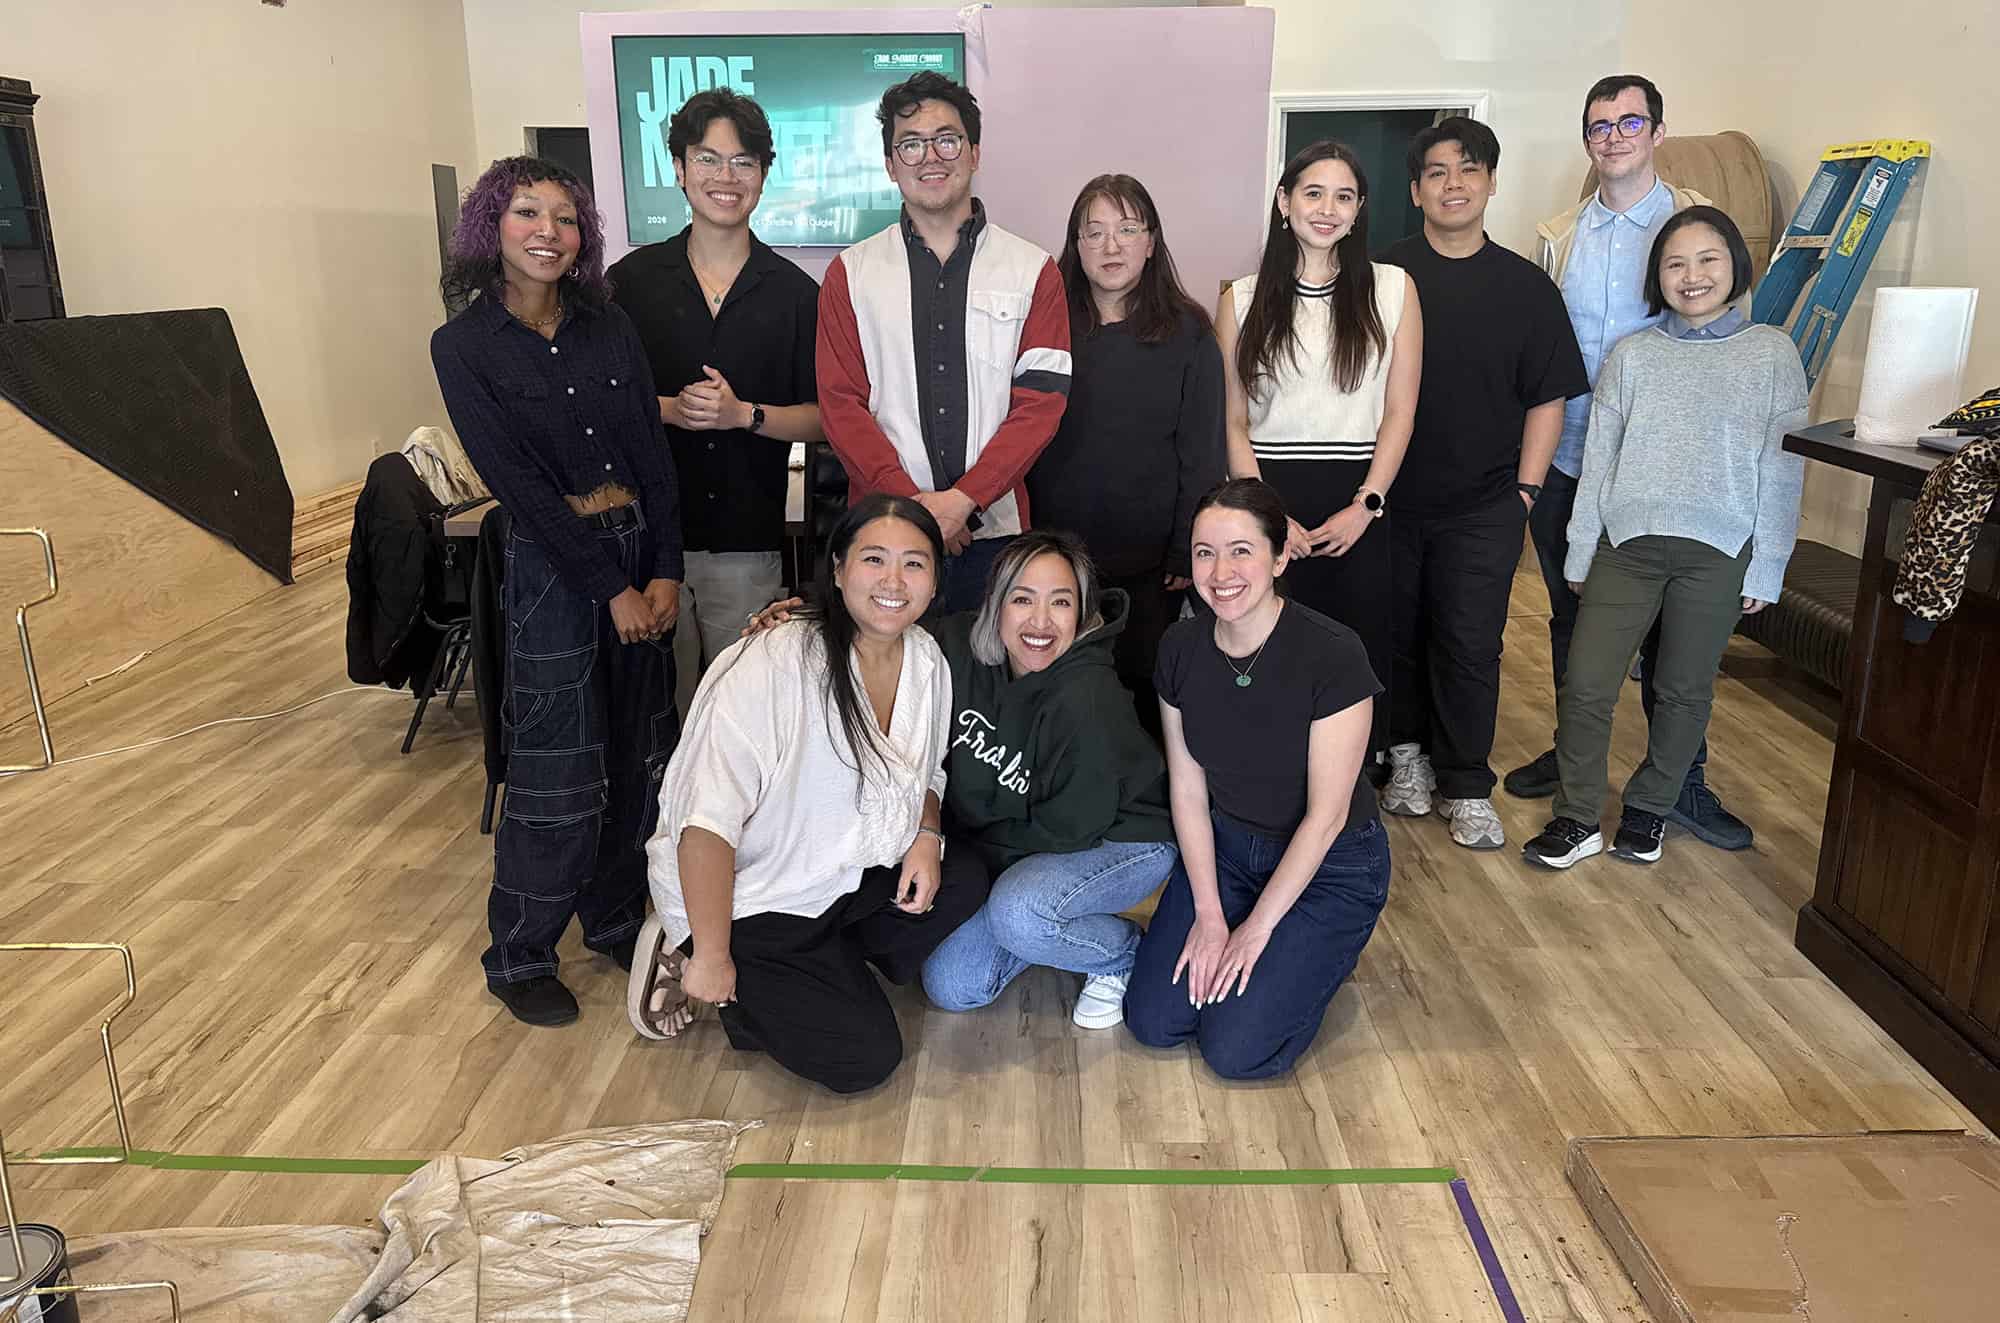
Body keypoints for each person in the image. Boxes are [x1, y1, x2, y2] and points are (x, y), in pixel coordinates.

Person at [431, 157, 685, 1028]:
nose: (548, 230)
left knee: (636, 752)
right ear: (490, 226)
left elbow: (653, 456)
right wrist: (610, 584)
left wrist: (665, 568)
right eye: (527, 212)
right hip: (552, 570)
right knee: (555, 768)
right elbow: (520, 485)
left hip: (635, 550)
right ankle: (521, 952)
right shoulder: (462, 347)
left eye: (566, 217)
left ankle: (613, 915)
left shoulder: (607, 325)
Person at [743, 531, 1179, 1028]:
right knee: (955, 986)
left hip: (1120, 839)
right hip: (1015, 846)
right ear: (995, 606)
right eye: (1022, 599)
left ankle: (1121, 955)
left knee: (1021, 912)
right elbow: (882, 616)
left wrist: (958, 857)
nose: (1040, 621)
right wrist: (804, 613)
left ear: (1080, 613)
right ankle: (1047, 928)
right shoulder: (955, 645)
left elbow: (1071, 828)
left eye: (1061, 602)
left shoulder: (1089, 696)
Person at [626, 495, 980, 1093]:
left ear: (935, 580)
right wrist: (713, 954)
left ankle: (817, 970)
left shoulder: (926, 659)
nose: (894, 581)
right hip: (756, 901)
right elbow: (705, 821)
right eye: (874, 559)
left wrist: (925, 833)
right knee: (865, 1058)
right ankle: (692, 947)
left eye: (915, 564)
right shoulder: (778, 658)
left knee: (965, 875)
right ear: (838, 568)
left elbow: (927, 772)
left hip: (837, 880)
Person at [1507, 75, 1756, 853]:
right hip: (1570, 456)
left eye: (1629, 121)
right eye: (1599, 126)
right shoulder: (1559, 235)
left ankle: (1681, 778)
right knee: (1571, 618)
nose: (1613, 136)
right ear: (1588, 140)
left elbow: (1729, 356)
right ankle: (1572, 751)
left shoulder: (1693, 232)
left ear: (1655, 130)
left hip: (1664, 471)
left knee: (1675, 642)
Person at [1522, 207, 1806, 870]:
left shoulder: (1771, 353)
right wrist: (1583, 544)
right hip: (1628, 541)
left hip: (1719, 548)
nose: (1692, 275)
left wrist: (1767, 567)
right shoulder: (1635, 354)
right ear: (1658, 276)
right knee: (1588, 681)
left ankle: (1651, 807)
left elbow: (1782, 469)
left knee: (1682, 688)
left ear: (1735, 264)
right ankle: (1577, 815)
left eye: (1708, 259)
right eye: (1675, 263)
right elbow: (1601, 455)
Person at [1125, 479, 1391, 1080]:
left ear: (1278, 557)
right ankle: (1278, 952)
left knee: (1235, 1051)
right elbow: (1188, 791)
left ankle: (1317, 949)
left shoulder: (1333, 654)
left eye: (1241, 550)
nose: (1221, 572)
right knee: (1155, 1022)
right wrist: (1212, 917)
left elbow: (1325, 819)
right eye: (1204, 552)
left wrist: (1256, 932)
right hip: (1230, 854)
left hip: (1330, 868)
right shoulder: (1180, 645)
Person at [1377, 118, 1588, 849]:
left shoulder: (1526, 288)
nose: (1454, 184)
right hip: (1388, 501)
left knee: (1470, 643)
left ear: (1492, 181)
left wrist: (1525, 494)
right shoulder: (1383, 278)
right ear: (1416, 190)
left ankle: (1466, 781)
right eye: (1437, 172)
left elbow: (1549, 398)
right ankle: (1405, 758)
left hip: (1486, 504)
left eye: (1469, 169)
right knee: (1397, 635)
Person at [817, 71, 1071, 615]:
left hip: (996, 538)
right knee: (888, 691)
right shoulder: (850, 274)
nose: (930, 156)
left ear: (974, 153)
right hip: (884, 541)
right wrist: (917, 509)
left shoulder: (1034, 270)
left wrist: (964, 500)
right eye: (910, 144)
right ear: (890, 164)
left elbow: (1041, 405)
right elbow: (841, 406)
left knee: (987, 693)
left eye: (947, 139)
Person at [1215, 140, 1421, 771]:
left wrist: (1368, 505)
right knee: (1269, 645)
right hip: (1270, 499)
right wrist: (1265, 521)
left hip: (1358, 499)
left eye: (1344, 196)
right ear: (1285, 202)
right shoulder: (1242, 299)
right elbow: (1233, 420)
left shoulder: (1393, 290)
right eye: (1313, 192)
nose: (1327, 209)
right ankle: (1269, 775)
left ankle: (1353, 783)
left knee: (1352, 648)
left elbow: (1399, 413)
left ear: (1359, 212)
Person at [609, 88, 822, 670]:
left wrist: (743, 415)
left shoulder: (797, 294)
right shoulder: (628, 283)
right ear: (679, 169)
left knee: (741, 710)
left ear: (762, 175)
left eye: (744, 162)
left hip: (748, 545)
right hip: (647, 543)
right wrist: (670, 410)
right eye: (707, 158)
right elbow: (597, 407)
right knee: (658, 713)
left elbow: (826, 417)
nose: (725, 176)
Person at [1030, 174, 1227, 736]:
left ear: (1150, 240)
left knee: (1142, 692)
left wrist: (1186, 550)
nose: (1110, 246)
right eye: (1093, 233)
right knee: (1060, 689)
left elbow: (1201, 452)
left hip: (1149, 561)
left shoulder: (1188, 332)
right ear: (1075, 244)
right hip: (1055, 550)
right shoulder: (1046, 326)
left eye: (1126, 229)